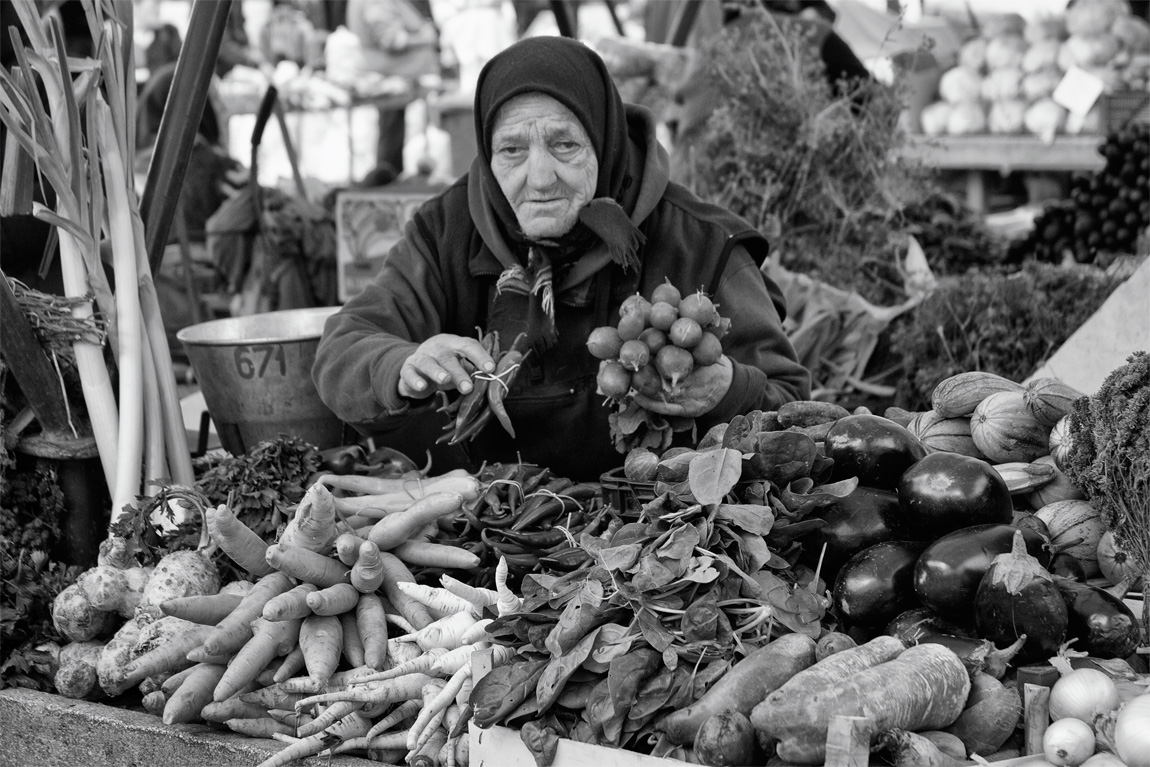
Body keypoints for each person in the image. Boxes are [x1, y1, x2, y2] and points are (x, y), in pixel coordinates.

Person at [312, 36, 810, 480]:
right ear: (486, 153)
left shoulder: (700, 241)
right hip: (486, 531)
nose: (540, 177)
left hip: (652, 535)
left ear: (604, 138)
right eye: (511, 150)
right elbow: (342, 349)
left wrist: (730, 390)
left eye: (564, 144)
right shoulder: (447, 230)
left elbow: (795, 408)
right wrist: (401, 364)